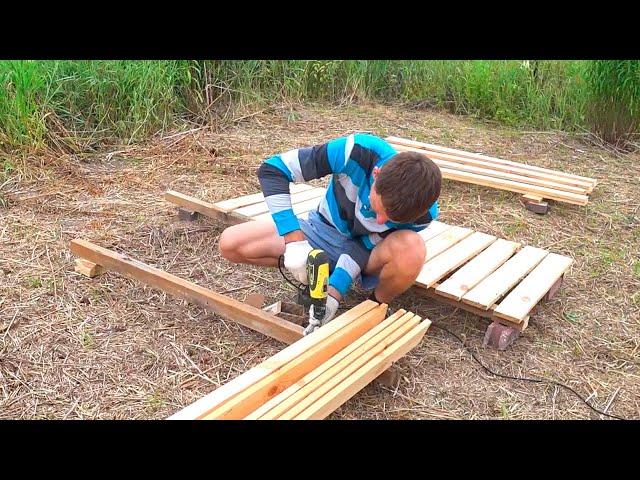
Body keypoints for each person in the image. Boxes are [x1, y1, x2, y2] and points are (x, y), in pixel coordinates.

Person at [219, 133, 442, 335]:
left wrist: (335, 291)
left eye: (391, 220)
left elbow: (361, 246)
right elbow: (273, 169)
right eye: (378, 209)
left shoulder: (422, 213)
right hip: (321, 229)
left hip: (369, 254)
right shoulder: (355, 152)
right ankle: (317, 268)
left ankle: (374, 306)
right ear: (376, 175)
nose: (380, 221)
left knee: (412, 249)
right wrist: (294, 241)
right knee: (231, 243)